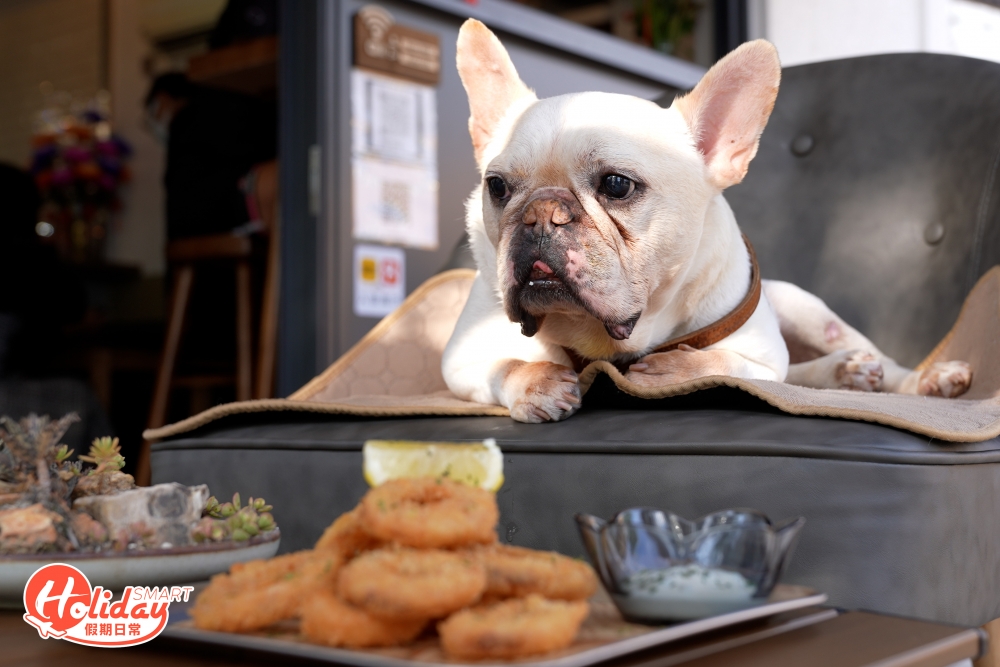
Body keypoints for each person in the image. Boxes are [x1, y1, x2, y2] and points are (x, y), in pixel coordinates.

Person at [144, 73, 276, 240]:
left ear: (163, 97)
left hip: (210, 228)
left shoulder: (188, 120)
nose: (155, 120)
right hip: (232, 215)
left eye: (154, 108)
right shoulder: (213, 107)